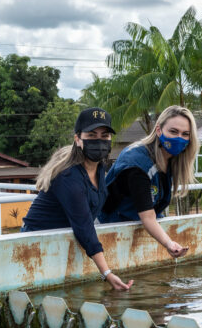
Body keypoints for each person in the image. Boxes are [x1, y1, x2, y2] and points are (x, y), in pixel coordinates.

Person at [22, 107, 133, 290]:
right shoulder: (68, 176)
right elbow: (84, 225)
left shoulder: (100, 169)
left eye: (104, 136)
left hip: (61, 243)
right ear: (78, 139)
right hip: (35, 243)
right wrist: (107, 273)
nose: (99, 141)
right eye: (91, 135)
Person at [99, 105, 198, 258]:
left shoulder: (171, 159)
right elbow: (147, 217)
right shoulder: (137, 162)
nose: (179, 138)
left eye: (185, 134)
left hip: (135, 223)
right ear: (159, 130)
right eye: (173, 131)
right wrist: (169, 244)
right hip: (108, 225)